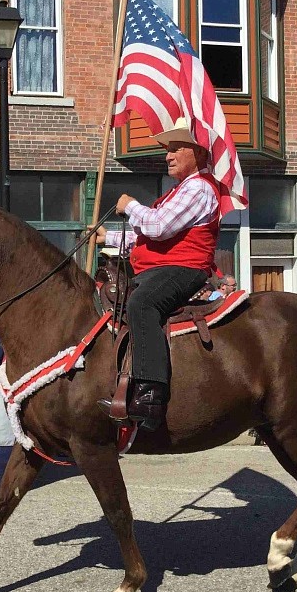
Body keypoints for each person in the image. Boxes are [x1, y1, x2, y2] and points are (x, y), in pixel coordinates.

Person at [93, 117, 220, 431]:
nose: (168, 154)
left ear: (199, 153)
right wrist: (106, 238)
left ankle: (151, 395)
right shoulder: (179, 191)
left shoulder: (198, 189)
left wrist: (131, 205)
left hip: (184, 269)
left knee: (142, 304)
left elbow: (159, 227)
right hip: (161, 268)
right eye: (168, 149)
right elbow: (147, 238)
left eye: (177, 147)